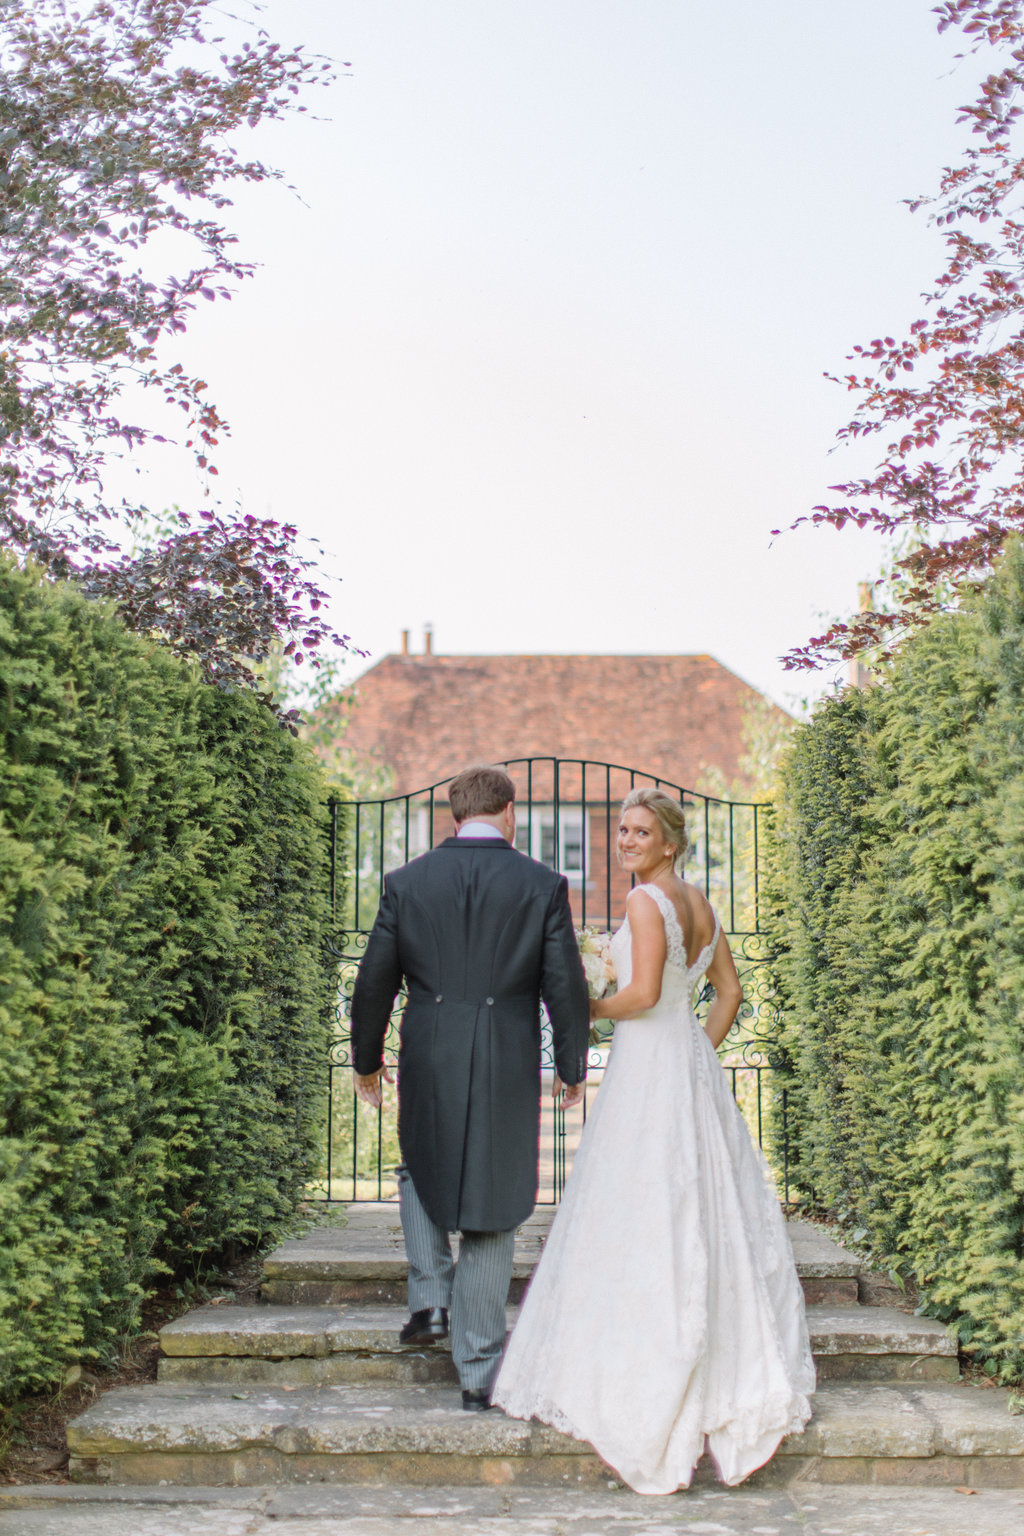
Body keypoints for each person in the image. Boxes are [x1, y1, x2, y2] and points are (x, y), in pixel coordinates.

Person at [492, 787, 815, 1490]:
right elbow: (728, 993)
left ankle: (648, 1360)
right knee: (700, 1201)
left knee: (640, 1199)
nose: (626, 841)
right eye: (622, 830)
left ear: (670, 842)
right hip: (684, 1061)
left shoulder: (645, 901)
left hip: (648, 1063)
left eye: (640, 832)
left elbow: (640, 997)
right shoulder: (702, 904)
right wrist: (697, 1053)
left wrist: (582, 1005)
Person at [349, 763, 590, 1410]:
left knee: (419, 1162)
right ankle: (479, 1371)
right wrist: (572, 1066)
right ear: (509, 812)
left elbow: (373, 981)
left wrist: (366, 1061)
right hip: (507, 1054)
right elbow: (564, 985)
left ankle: (430, 1299)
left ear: (455, 815)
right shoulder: (541, 884)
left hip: (430, 1046)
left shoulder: (407, 882)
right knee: (494, 1192)